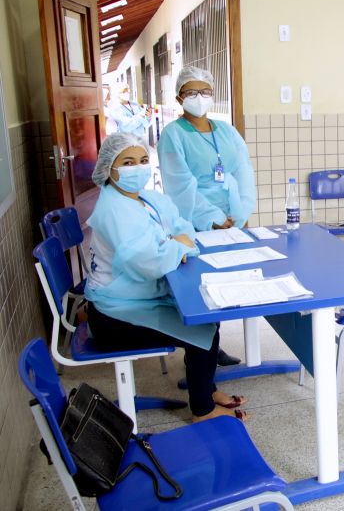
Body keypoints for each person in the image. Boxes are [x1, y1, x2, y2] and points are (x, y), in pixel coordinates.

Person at [85, 132, 248, 422]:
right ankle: (202, 410)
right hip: (115, 315)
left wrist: (175, 243)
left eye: (143, 160)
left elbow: (181, 225)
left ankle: (205, 390)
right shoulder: (113, 209)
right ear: (109, 168)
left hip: (139, 297)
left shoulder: (146, 198)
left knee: (208, 316)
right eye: (128, 162)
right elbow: (147, 261)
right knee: (202, 329)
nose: (138, 168)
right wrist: (176, 245)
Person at [158, 65, 256, 366]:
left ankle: (213, 346)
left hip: (231, 220)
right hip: (196, 220)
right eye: (191, 92)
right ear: (179, 98)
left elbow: (243, 170)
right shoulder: (173, 135)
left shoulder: (226, 131)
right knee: (201, 287)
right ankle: (198, 354)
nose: (198, 98)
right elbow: (179, 183)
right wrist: (211, 216)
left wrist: (239, 211)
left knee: (224, 283)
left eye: (204, 92)